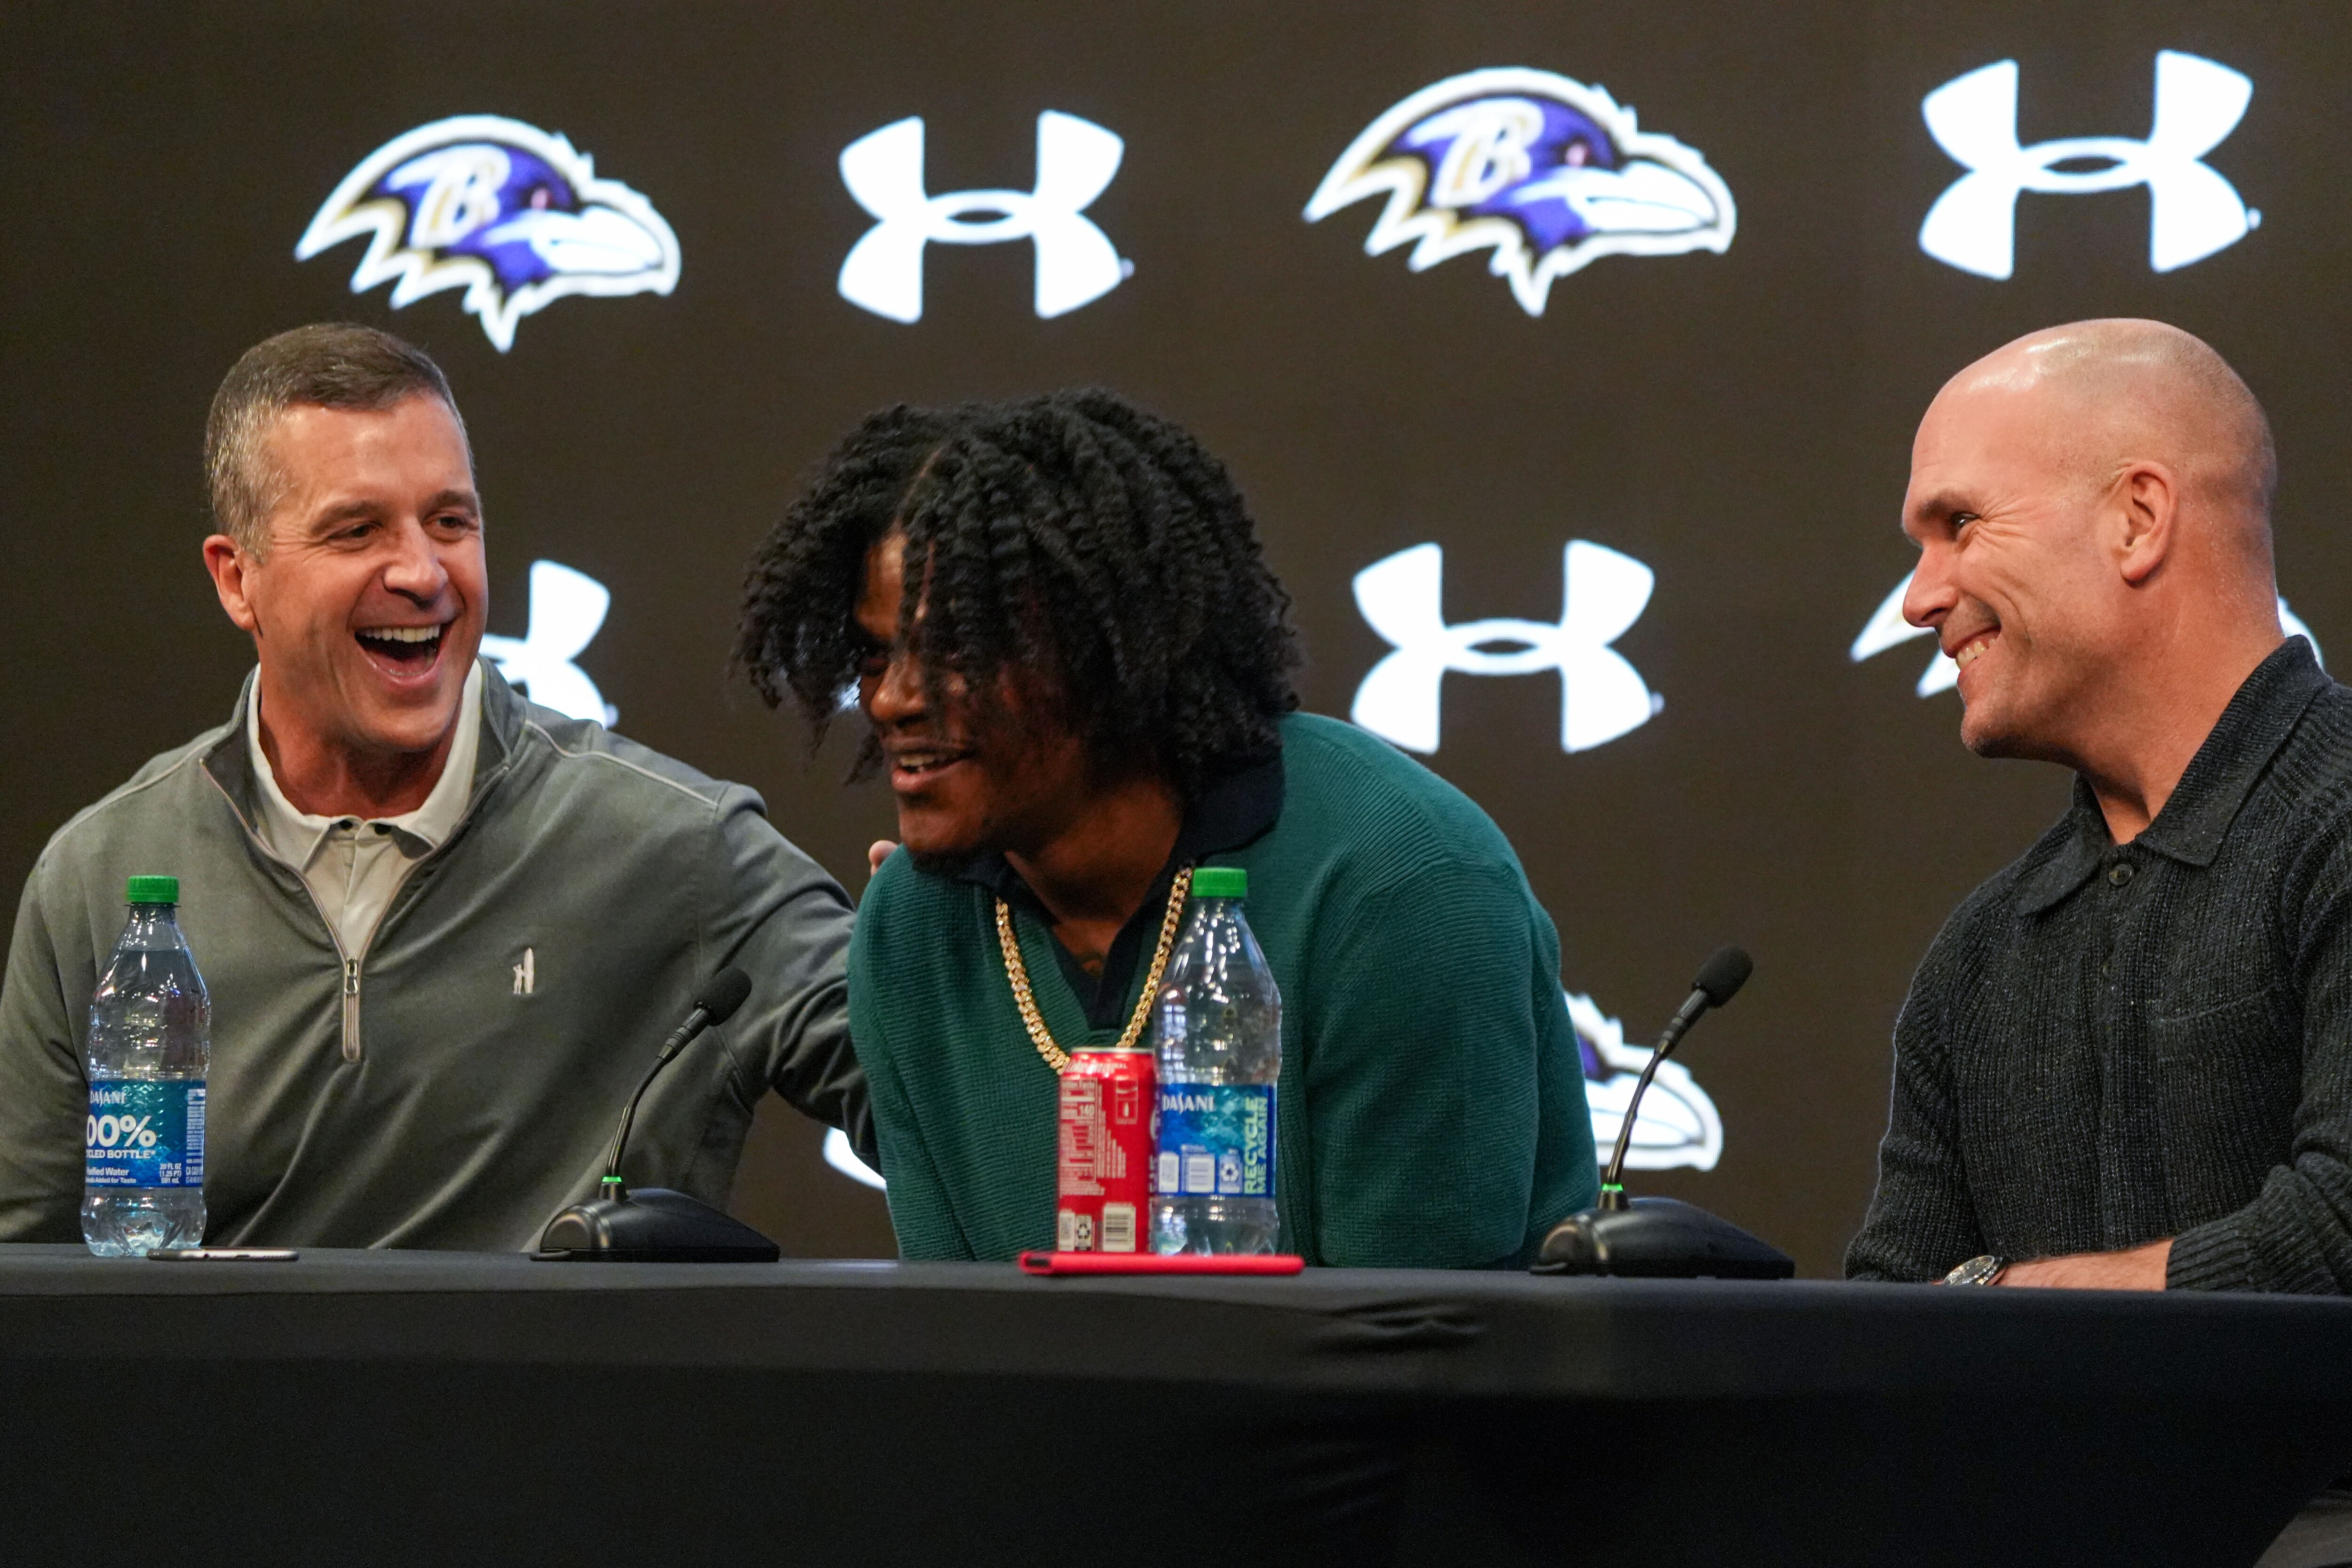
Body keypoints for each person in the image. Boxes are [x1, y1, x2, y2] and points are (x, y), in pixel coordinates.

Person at [0, 323, 868, 1250]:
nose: (423, 572)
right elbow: (34, 1284)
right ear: (237, 578)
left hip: (562, 1397)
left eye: (451, 522)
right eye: (356, 529)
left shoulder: (677, 848)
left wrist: (972, 919)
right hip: (220, 1399)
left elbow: (937, 1099)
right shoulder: (106, 874)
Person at [734, 389, 1596, 1267]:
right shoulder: (913, 935)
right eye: (877, 653)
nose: (891, 699)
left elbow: (1425, 1359)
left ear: (1110, 654)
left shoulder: (1403, 887)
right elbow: (969, 1344)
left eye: (956, 650)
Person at [1847, 318, 2352, 1296]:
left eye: (1959, 526)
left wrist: (2006, 1295)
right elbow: (1889, 1325)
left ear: (2137, 518)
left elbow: (2339, 1227)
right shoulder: (1982, 952)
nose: (1917, 597)